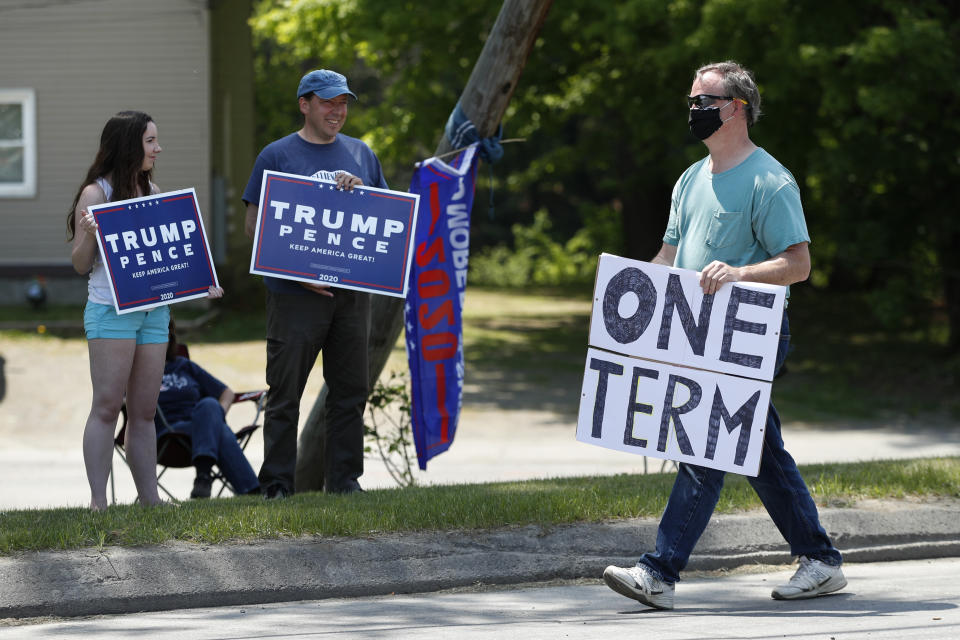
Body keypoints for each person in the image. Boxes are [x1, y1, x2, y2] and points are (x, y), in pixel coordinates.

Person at [602, 61, 846, 609]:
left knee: (705, 441)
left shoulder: (769, 180)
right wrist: (627, 302)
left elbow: (798, 264)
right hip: (696, 332)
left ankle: (658, 573)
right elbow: (668, 254)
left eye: (703, 101)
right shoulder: (691, 178)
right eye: (691, 101)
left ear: (735, 108)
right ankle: (822, 560)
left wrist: (737, 274)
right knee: (758, 449)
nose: (693, 110)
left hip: (751, 333)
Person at [242, 69, 388, 498]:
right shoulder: (276, 155)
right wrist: (298, 274)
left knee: (350, 393)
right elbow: (255, 227)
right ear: (305, 104)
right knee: (285, 394)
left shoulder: (362, 155)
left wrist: (364, 193)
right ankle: (277, 486)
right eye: (328, 102)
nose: (337, 111)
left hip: (350, 297)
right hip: (294, 297)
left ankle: (344, 484)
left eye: (343, 103)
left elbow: (386, 222)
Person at [69, 110, 222, 511]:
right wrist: (87, 236)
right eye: (151, 141)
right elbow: (81, 264)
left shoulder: (152, 190)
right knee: (106, 407)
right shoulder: (96, 193)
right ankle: (99, 502)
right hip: (111, 311)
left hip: (155, 314)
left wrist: (200, 280)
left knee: (144, 411)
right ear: (129, 145)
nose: (158, 148)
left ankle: (149, 499)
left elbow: (169, 256)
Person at [157, 320, 259, 499]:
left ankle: (203, 477)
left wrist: (214, 417)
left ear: (170, 339)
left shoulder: (185, 366)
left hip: (199, 425)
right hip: (167, 433)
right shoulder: (138, 370)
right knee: (219, 429)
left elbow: (226, 393)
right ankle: (252, 492)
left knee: (210, 405)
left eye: (163, 335)